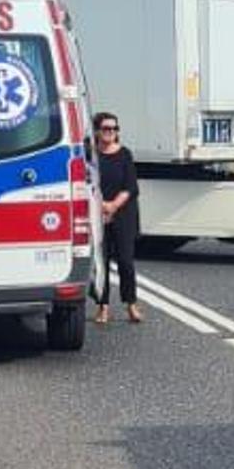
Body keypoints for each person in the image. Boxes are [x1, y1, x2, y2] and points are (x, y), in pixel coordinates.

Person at [93, 112, 142, 324]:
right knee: (101, 262)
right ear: (97, 131)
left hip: (123, 213)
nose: (110, 132)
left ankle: (131, 304)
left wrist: (112, 206)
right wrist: (101, 205)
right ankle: (102, 307)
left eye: (114, 128)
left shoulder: (125, 154)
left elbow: (131, 186)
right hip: (97, 213)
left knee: (125, 261)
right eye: (106, 128)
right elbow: (87, 182)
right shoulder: (91, 155)